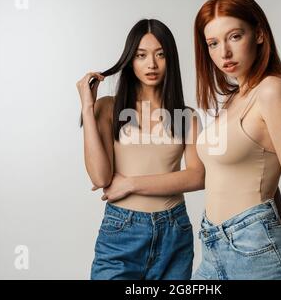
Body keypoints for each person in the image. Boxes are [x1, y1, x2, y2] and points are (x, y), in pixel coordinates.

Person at [192, 0, 281, 280]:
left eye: (235, 37)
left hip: (259, 255)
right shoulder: (232, 100)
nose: (224, 53)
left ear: (259, 34)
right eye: (213, 43)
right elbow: (265, 181)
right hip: (213, 247)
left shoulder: (272, 91)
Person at [76, 19, 204, 280]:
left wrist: (131, 183)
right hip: (122, 231)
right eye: (141, 55)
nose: (152, 64)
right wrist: (87, 109)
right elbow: (100, 178)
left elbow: (197, 176)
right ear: (129, 60)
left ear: (171, 59)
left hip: (174, 232)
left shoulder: (186, 116)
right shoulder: (108, 108)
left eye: (160, 54)